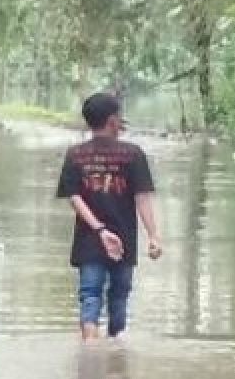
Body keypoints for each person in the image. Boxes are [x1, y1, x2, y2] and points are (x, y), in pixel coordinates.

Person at [56, 92, 162, 340]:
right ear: (113, 120)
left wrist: (99, 230)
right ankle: (115, 352)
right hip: (123, 240)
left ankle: (89, 356)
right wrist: (153, 236)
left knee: (90, 296)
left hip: (89, 239)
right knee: (119, 298)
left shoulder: (75, 155)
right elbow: (142, 198)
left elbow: (74, 198)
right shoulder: (133, 154)